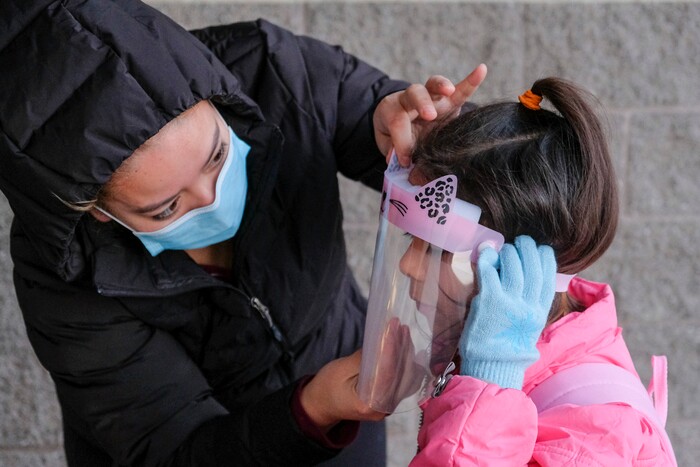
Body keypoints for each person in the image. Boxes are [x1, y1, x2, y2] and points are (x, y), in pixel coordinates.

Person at [0, 0, 487, 465]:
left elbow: (384, 130)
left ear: (215, 98)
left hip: (339, 373)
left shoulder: (270, 70)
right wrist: (311, 409)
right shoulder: (60, 272)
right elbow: (172, 445)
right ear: (97, 211)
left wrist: (412, 147)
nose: (212, 198)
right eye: (167, 206)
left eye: (216, 155)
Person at [383, 78, 677, 465]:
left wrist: (488, 389)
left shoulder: (596, 439)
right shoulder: (494, 346)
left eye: (436, 249)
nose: (408, 265)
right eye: (411, 238)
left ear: (511, 265)